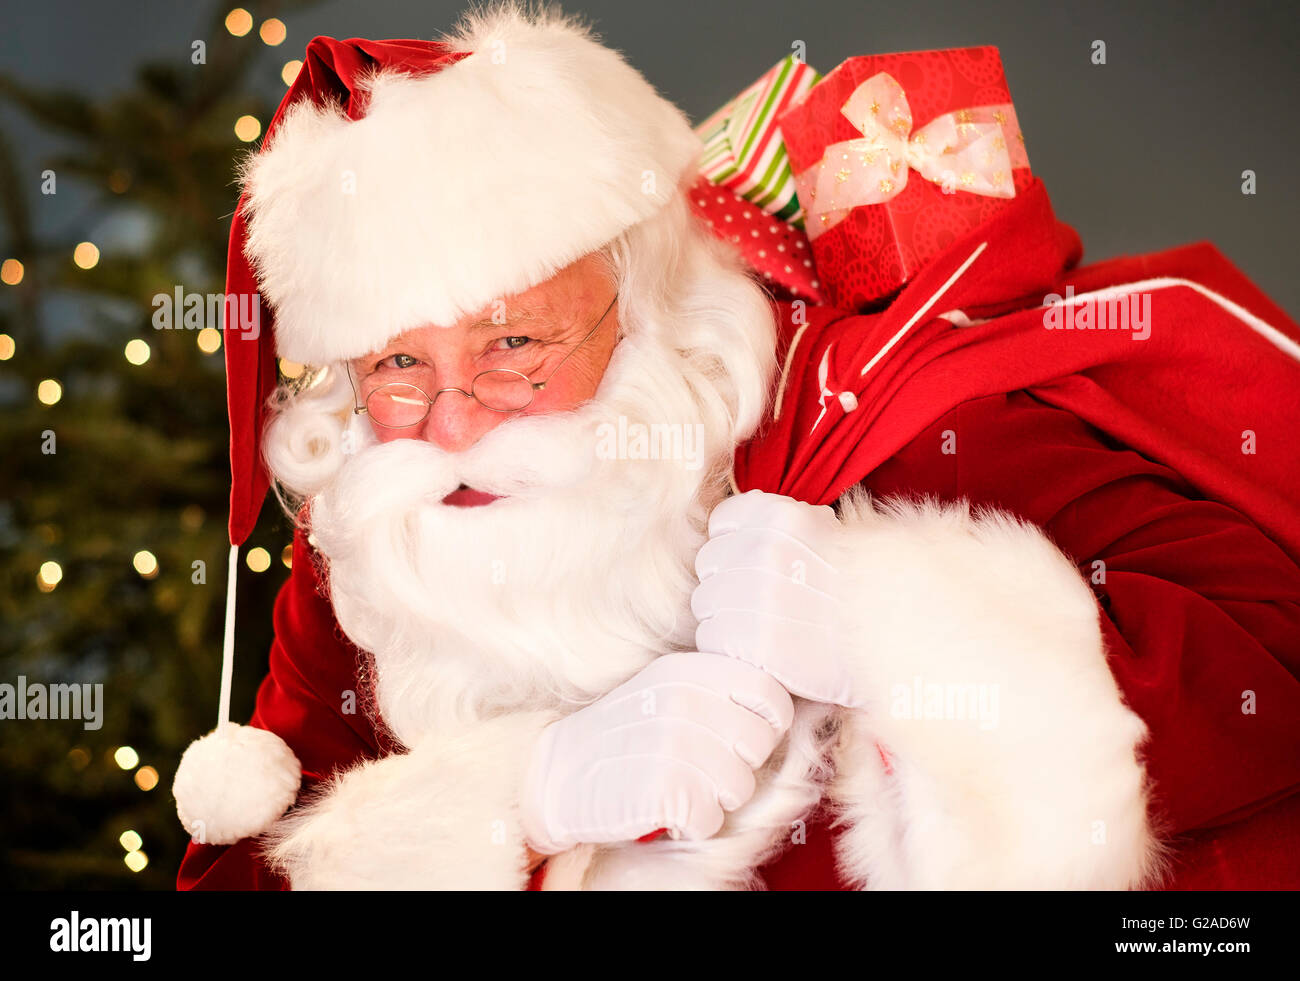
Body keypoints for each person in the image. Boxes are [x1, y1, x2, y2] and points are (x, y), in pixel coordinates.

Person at [176, 3, 1300, 890]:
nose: (454, 422)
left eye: (514, 343)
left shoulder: (874, 427)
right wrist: (514, 802)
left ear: (648, 310)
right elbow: (231, 879)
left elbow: (1274, 667)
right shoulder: (376, 549)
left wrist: (882, 630)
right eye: (396, 366)